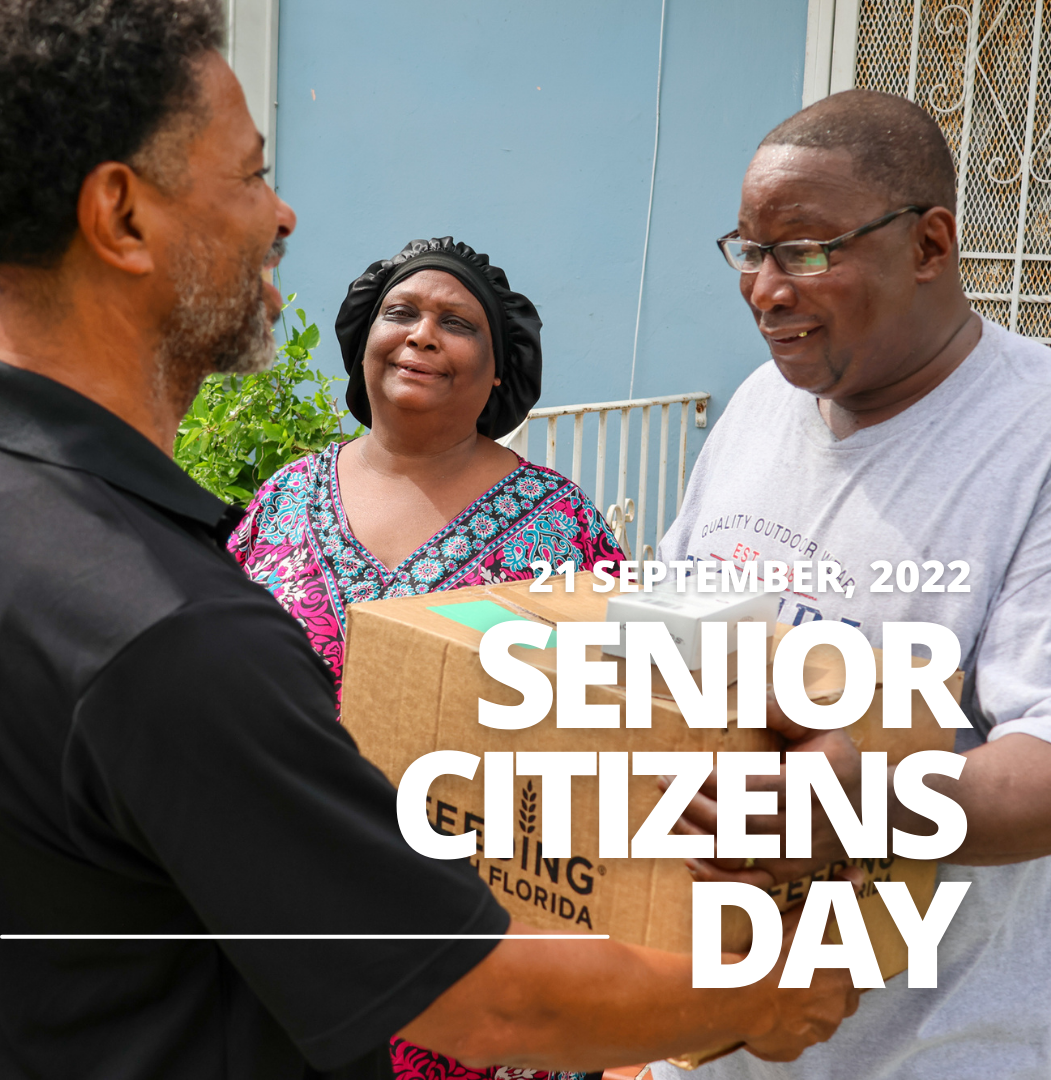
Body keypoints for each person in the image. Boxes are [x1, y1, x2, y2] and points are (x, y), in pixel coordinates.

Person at [0, 4, 860, 1079]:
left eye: (458, 326)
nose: (285, 216)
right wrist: (766, 992)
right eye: (250, 175)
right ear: (122, 217)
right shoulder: (170, 628)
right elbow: (482, 1003)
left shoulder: (65, 535)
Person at [653, 89, 1051, 1079]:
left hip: (939, 1044)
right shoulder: (764, 402)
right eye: (749, 251)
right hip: (725, 1035)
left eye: (804, 248)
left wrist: (865, 800)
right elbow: (676, 635)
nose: (766, 290)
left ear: (930, 245)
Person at [229, 236, 623, 698]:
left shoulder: (560, 520)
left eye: (456, 323)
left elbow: (620, 692)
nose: (422, 335)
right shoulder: (287, 496)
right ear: (364, 341)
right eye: (400, 313)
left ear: (500, 366)